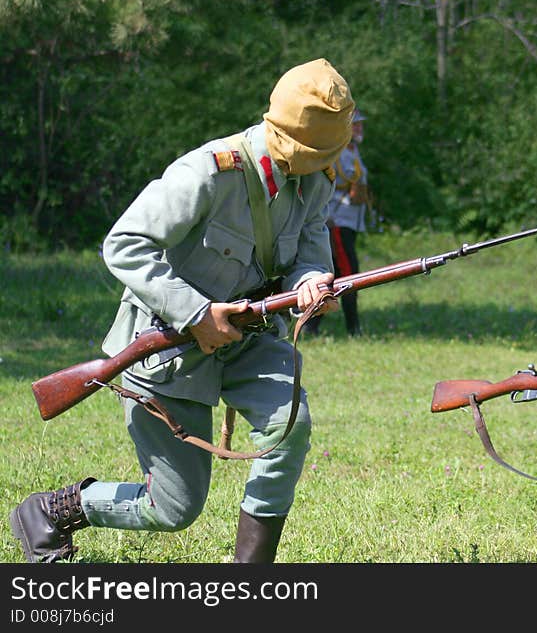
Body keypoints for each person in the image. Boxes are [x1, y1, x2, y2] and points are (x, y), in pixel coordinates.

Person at [9, 58, 355, 563]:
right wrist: (195, 313)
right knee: (173, 509)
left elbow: (310, 251)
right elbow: (124, 244)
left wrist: (311, 282)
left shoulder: (314, 180)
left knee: (290, 424)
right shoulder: (208, 173)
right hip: (169, 350)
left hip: (248, 341)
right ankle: (55, 509)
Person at [306, 107, 370, 336]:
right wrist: (326, 216)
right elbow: (322, 186)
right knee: (346, 273)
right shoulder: (336, 153)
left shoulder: (353, 152)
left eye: (360, 124)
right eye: (355, 124)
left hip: (350, 222)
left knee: (338, 273)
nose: (360, 128)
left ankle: (313, 327)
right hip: (336, 222)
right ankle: (352, 329)